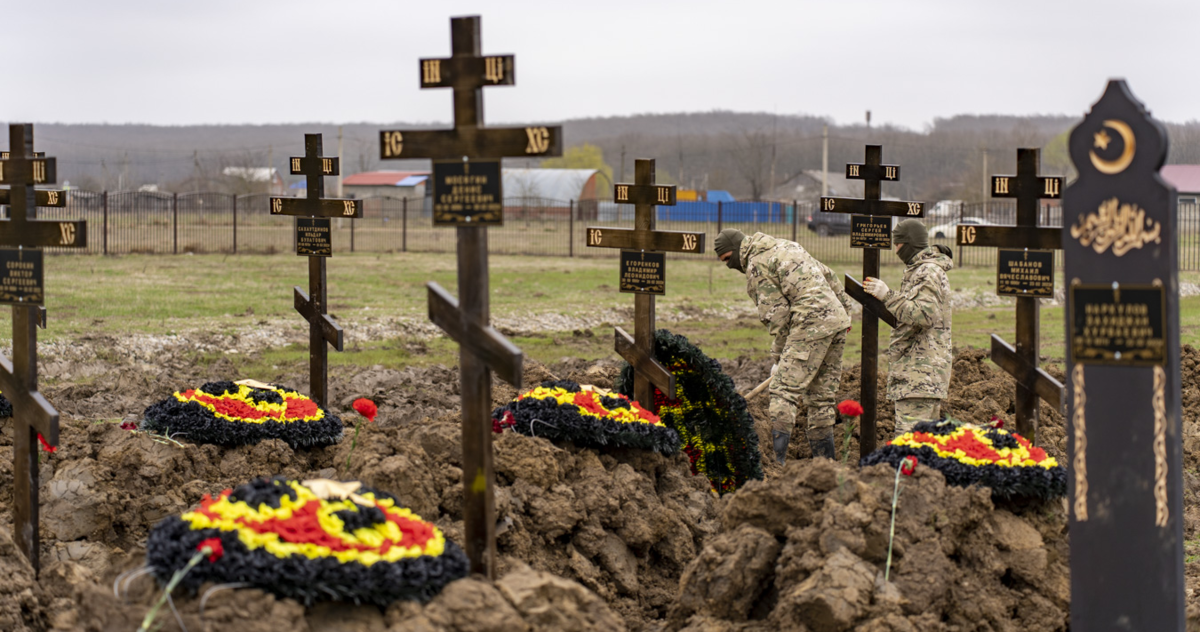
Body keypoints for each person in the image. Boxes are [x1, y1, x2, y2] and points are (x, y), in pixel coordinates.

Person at [714, 228, 852, 464]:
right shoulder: (787, 246)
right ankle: (826, 465)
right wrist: (844, 311)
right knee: (820, 398)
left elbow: (778, 318)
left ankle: (776, 465)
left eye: (728, 259)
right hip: (836, 321)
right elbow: (829, 275)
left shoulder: (757, 266)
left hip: (810, 323)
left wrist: (779, 357)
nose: (729, 265)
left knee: (782, 392)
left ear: (737, 249)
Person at [863, 218, 953, 436]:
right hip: (921, 376)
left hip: (919, 376)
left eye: (898, 244)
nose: (895, 250)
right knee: (924, 447)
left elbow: (924, 315)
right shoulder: (921, 270)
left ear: (909, 243)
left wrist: (888, 296)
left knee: (908, 447)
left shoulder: (927, 272)